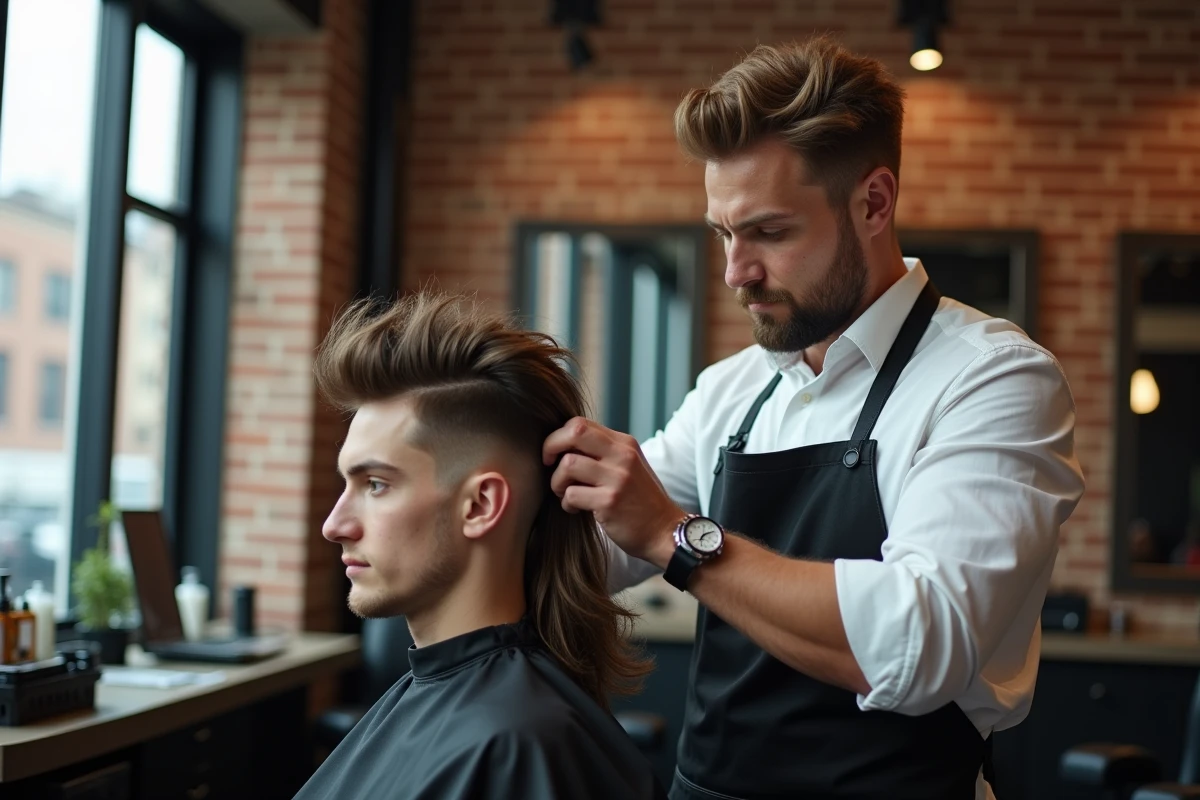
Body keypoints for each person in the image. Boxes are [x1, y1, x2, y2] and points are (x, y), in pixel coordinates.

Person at [544, 36, 1086, 800]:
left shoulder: (992, 377)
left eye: (769, 232)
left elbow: (919, 640)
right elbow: (601, 547)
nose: (737, 273)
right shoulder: (735, 389)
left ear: (873, 202)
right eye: (723, 234)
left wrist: (679, 538)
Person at [294, 292, 667, 800]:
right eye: (347, 485)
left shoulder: (519, 743)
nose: (334, 525)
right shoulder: (474, 710)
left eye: (375, 485)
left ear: (480, 506)